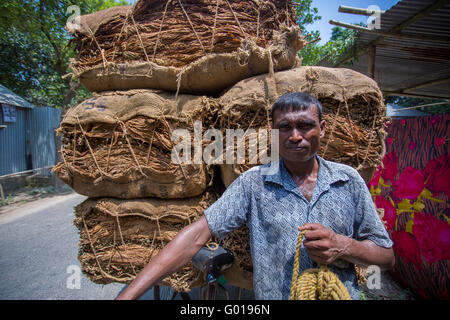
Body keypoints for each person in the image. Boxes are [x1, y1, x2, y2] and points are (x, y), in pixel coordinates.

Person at [116, 92, 394, 300]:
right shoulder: (254, 183)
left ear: (322, 127)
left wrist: (342, 246)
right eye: (285, 127)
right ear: (273, 132)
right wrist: (129, 295)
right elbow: (197, 235)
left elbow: (386, 256)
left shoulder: (348, 181)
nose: (295, 136)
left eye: (306, 125)